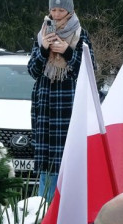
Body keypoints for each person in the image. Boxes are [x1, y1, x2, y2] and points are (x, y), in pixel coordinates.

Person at [28, 0, 92, 201]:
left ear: (70, 11)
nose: (56, 14)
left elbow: (89, 70)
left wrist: (67, 51)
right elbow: (32, 70)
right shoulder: (42, 34)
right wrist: (44, 49)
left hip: (68, 104)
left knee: (67, 157)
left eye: (61, 10)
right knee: (46, 159)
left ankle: (64, 206)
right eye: (53, 9)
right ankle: (43, 209)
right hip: (44, 104)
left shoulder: (81, 35)